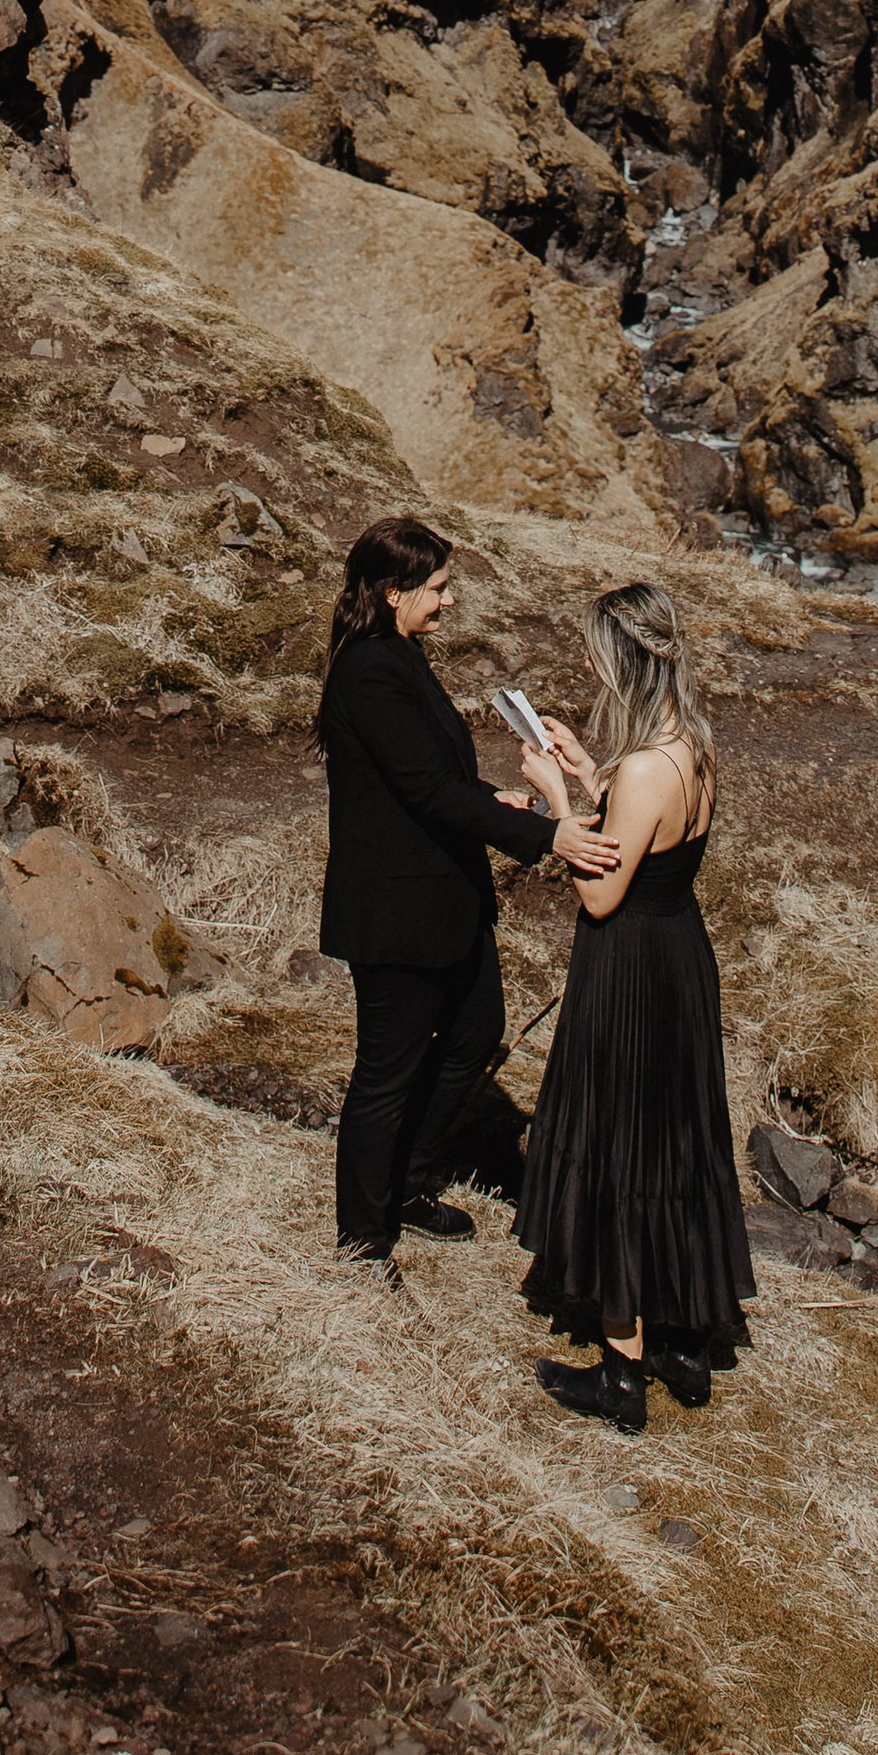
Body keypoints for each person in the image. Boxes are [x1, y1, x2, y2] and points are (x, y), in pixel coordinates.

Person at [317, 514, 620, 1280]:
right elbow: (424, 791)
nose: (449, 601)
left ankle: (407, 1183)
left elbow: (432, 777)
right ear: (394, 592)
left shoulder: (400, 655)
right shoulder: (369, 671)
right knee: (385, 1072)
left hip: (444, 903)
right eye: (440, 588)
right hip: (397, 911)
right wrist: (548, 835)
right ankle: (363, 1238)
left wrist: (492, 798)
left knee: (475, 1034)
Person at [510, 579, 753, 1428]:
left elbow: (601, 893)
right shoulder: (691, 746)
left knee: (619, 1142)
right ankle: (684, 1340)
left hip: (631, 969)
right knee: (675, 1142)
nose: (587, 668)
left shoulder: (648, 768)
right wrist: (592, 772)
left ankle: (620, 1372)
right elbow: (647, 832)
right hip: (679, 954)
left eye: (594, 656)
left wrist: (560, 800)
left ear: (624, 662)